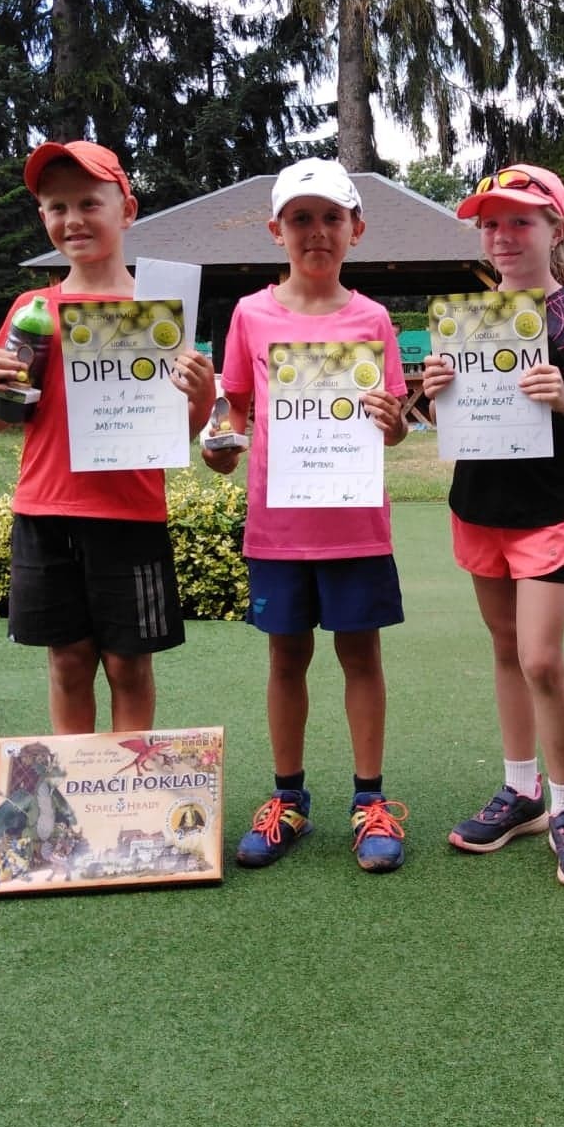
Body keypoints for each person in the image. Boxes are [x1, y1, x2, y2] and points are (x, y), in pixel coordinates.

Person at [203, 157, 411, 873]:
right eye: (300, 218)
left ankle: (370, 802)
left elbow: (393, 423)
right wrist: (219, 447)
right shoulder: (250, 314)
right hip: (278, 529)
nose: (316, 231)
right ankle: (288, 799)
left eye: (330, 217)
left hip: (356, 526)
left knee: (361, 657)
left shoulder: (373, 318)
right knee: (286, 658)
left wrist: (394, 422)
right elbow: (232, 415)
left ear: (356, 229)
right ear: (276, 230)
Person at [421, 164, 564, 887]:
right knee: (507, 651)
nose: (502, 236)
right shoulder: (465, 319)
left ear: (555, 229)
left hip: (545, 511)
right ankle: (522, 791)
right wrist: (434, 393)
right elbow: (442, 421)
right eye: (490, 224)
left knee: (541, 658)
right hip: (477, 507)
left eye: (520, 221)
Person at [0, 140, 216, 734]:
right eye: (57, 207)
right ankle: (77, 788)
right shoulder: (32, 309)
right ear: (42, 218)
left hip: (129, 514)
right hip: (45, 511)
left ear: (126, 210)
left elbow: (176, 434)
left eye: (89, 203)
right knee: (68, 662)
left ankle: (128, 783)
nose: (73, 220)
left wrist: (202, 396)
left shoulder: (159, 311)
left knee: (129, 666)